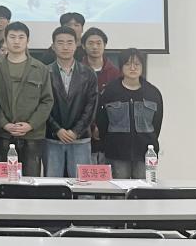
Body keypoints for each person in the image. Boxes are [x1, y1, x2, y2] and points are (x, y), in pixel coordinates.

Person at [0, 22, 53, 177]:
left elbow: (47, 101)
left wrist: (31, 124)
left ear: (27, 40)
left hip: (32, 135)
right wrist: (4, 123)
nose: (16, 41)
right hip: (3, 135)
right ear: (5, 40)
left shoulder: (40, 68)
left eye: (21, 37)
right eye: (12, 37)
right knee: (2, 181)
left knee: (30, 181)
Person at [97, 48, 163, 179]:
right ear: (121, 67)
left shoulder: (153, 93)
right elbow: (102, 121)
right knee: (119, 189)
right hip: (116, 152)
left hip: (145, 153)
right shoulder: (110, 91)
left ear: (142, 67)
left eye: (137, 64)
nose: (132, 68)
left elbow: (157, 123)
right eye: (127, 64)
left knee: (144, 188)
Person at [45, 26, 98, 177]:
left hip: (80, 139)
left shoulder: (89, 73)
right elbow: (42, 105)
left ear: (76, 45)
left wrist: (76, 131)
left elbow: (91, 107)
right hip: (52, 138)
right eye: (60, 43)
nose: (65, 47)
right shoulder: (44, 72)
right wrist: (57, 130)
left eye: (69, 42)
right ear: (53, 46)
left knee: (83, 185)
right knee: (52, 185)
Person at [81, 27, 120, 164]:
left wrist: (101, 127)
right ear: (83, 46)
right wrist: (90, 126)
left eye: (99, 43)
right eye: (90, 43)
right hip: (82, 132)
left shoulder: (115, 73)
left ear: (105, 45)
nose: (95, 47)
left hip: (109, 133)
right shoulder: (77, 70)